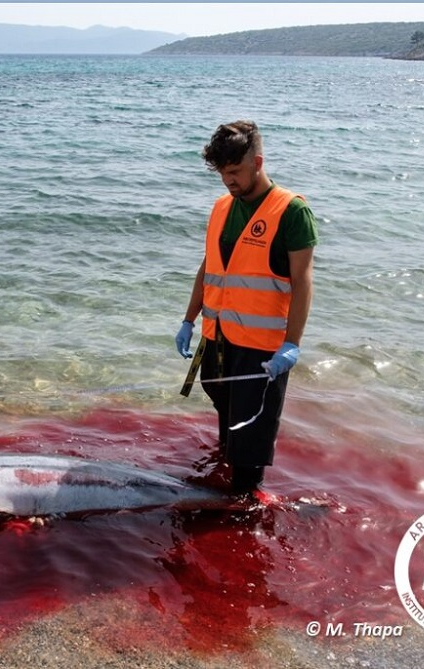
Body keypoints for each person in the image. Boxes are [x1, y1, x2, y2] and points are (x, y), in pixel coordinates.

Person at [175, 120, 317, 495]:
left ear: (258, 162)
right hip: (218, 336)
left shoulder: (292, 212)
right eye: (223, 173)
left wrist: (292, 344)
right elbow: (209, 267)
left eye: (235, 172)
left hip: (262, 349)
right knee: (225, 416)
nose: (228, 181)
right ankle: (224, 480)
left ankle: (244, 505)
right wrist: (189, 319)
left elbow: (302, 282)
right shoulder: (222, 207)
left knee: (249, 440)